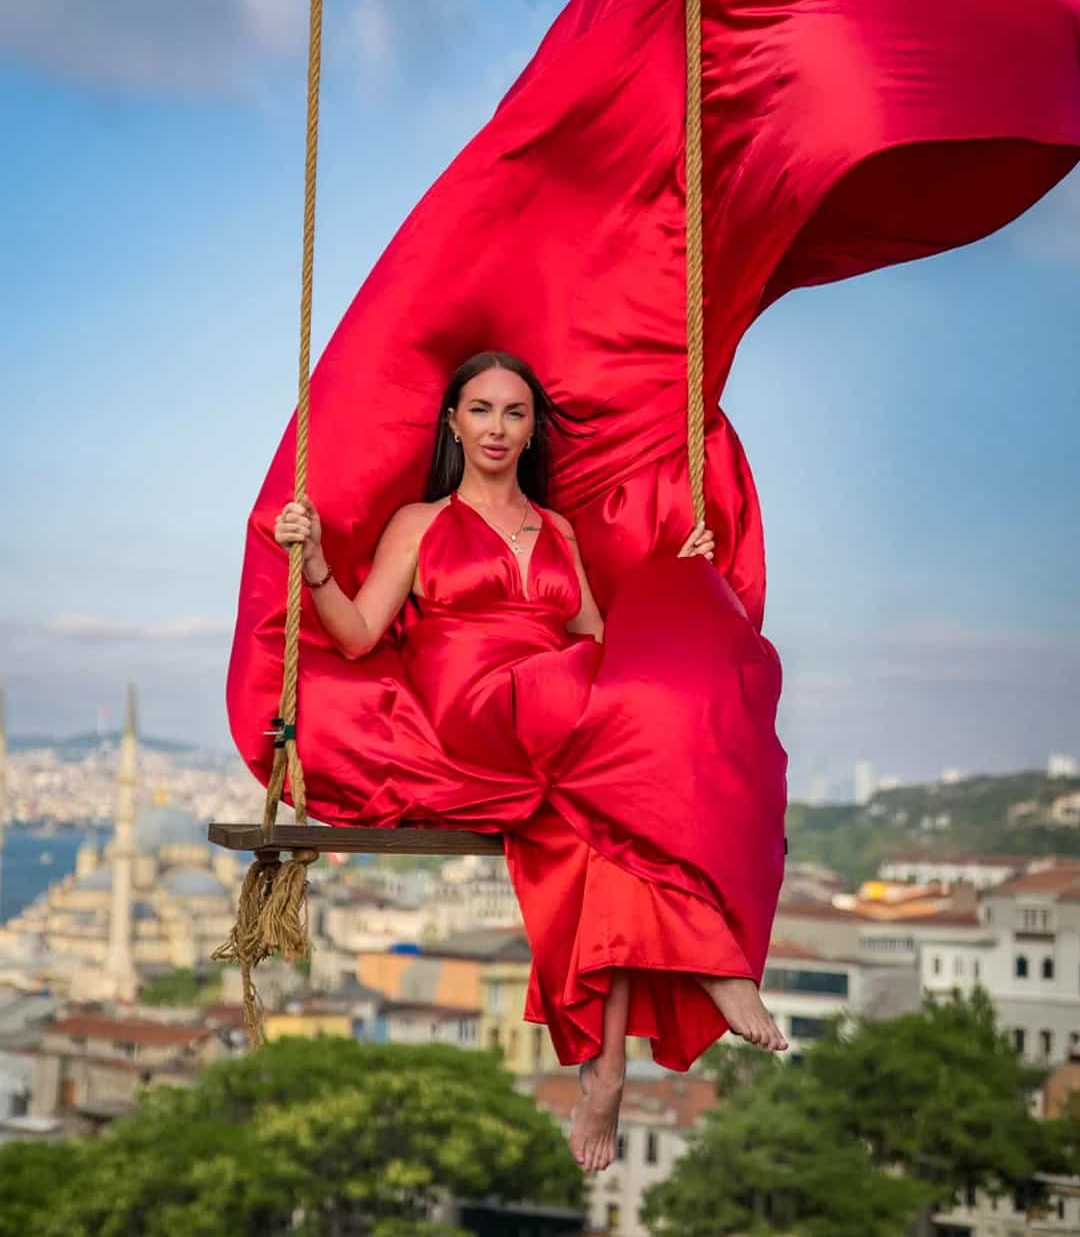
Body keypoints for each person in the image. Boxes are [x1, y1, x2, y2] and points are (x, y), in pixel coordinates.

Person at [274, 349, 787, 1173]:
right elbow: (359, 633)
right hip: (474, 703)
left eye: (514, 413)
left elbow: (596, 637)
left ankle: (607, 1069)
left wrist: (682, 581)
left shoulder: (558, 530)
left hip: (554, 706)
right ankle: (708, 958)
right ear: (453, 422)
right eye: (480, 410)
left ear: (532, 429)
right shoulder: (421, 523)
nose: (497, 428)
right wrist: (316, 563)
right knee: (632, 730)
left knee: (608, 824)